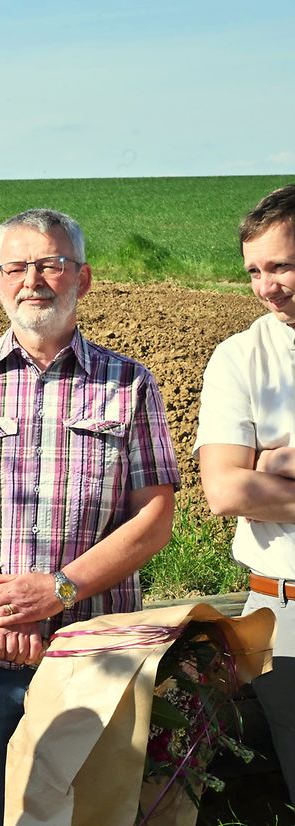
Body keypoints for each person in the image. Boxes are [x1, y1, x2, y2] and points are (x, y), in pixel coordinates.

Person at [0, 208, 179, 826]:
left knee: (97, 813)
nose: (32, 281)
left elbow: (155, 517)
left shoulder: (129, 383)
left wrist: (57, 591)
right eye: (16, 268)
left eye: (50, 264)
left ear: (83, 278)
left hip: (100, 652)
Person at [195, 183, 295, 800]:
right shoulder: (240, 358)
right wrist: (255, 469)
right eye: (254, 271)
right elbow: (227, 490)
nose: (266, 287)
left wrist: (276, 461)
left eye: (280, 266)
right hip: (285, 611)